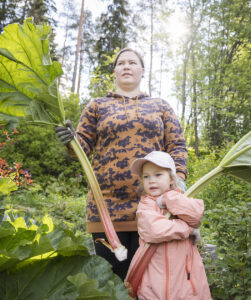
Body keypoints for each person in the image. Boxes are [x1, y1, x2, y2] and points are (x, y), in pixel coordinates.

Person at [55, 48, 188, 281]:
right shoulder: (97, 105)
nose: (126, 66)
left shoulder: (161, 105)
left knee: (149, 282)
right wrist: (71, 140)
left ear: (142, 71)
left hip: (153, 209)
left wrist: (180, 180)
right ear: (115, 71)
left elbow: (176, 146)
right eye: (121, 63)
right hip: (105, 209)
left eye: (132, 63)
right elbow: (82, 148)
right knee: (111, 282)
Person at [125, 151, 212, 299]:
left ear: (172, 178)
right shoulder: (146, 205)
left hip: (185, 281)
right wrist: (189, 228)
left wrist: (168, 199)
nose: (151, 181)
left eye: (158, 175)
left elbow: (196, 215)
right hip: (153, 284)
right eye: (146, 176)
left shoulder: (181, 199)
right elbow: (155, 231)